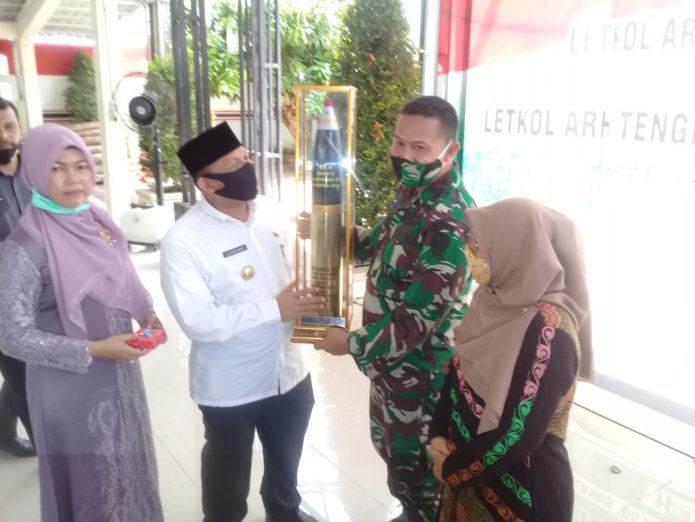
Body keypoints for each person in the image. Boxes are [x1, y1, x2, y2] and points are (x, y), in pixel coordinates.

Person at [314, 96, 476, 522]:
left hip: (422, 377)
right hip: (392, 370)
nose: (405, 155)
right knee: (394, 458)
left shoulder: (449, 223)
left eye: (419, 147)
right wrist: (332, 231)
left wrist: (349, 343)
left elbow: (415, 321)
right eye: (399, 142)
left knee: (421, 474)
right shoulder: (414, 193)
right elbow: (381, 242)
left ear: (451, 150)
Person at [160, 122, 325, 522]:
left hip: (290, 372)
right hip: (232, 386)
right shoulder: (183, 240)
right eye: (234, 165)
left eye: (246, 158)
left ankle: (284, 514)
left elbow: (297, 267)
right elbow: (198, 321)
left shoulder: (271, 210)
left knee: (285, 466)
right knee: (227, 480)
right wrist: (276, 309)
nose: (247, 168)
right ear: (208, 184)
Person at [0, 123, 164, 522]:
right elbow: (10, 335)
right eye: (57, 168)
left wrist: (147, 313)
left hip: (121, 376)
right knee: (91, 484)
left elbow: (124, 278)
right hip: (69, 390)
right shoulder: (25, 246)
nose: (73, 178)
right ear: (35, 172)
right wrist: (94, 349)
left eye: (80, 166)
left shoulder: (97, 222)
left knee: (131, 468)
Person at [426, 198, 592, 521]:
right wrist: (437, 432)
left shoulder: (551, 331)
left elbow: (517, 435)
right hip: (469, 470)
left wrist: (452, 470)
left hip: (522, 492)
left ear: (518, 247)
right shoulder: (491, 298)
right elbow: (457, 371)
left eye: (480, 243)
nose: (473, 252)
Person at [0, 96, 34, 457]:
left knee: (22, 372)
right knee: (22, 375)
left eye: (9, 126)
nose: (4, 137)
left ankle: (1, 432)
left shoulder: (37, 171)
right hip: (3, 302)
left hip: (44, 292)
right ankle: (45, 446)